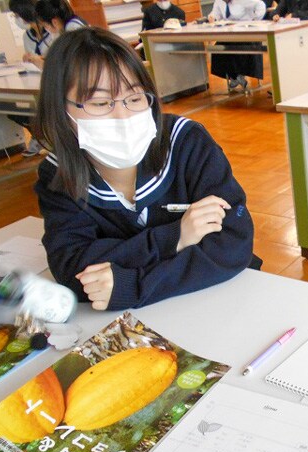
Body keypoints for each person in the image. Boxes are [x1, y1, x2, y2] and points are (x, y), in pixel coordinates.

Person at [33, 28, 256, 311]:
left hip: (220, 298)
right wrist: (174, 238)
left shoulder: (186, 142)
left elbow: (232, 244)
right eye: (101, 103)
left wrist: (132, 285)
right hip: (155, 310)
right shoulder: (59, 174)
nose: (124, 115)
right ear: (60, 111)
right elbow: (73, 267)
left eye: (136, 99)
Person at [9, 0, 51, 156]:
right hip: (34, 79)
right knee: (13, 110)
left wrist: (39, 59)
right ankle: (39, 134)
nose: (16, 18)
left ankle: (44, 135)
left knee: (45, 107)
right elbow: (32, 59)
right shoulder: (27, 36)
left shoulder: (52, 30)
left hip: (51, 79)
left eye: (16, 14)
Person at [209, 0, 266, 93]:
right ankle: (233, 76)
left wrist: (254, 21)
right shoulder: (219, 1)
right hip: (229, 34)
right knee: (218, 48)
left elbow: (261, 5)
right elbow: (215, 13)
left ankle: (239, 74)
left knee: (239, 47)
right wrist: (212, 17)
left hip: (246, 34)